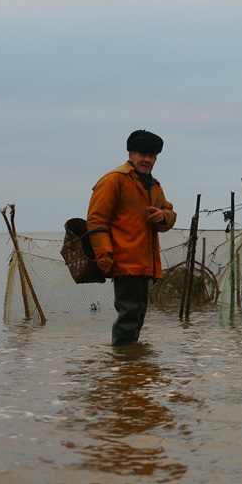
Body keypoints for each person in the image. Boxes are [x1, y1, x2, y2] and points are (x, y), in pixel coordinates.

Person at [87, 130, 177, 346]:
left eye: (152, 156)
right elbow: (96, 220)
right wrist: (104, 255)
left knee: (137, 314)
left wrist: (162, 216)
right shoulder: (114, 180)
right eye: (142, 155)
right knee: (129, 315)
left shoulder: (153, 184)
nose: (147, 160)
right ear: (131, 155)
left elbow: (170, 212)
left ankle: (131, 368)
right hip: (124, 260)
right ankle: (123, 365)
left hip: (145, 262)